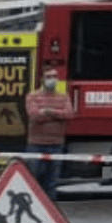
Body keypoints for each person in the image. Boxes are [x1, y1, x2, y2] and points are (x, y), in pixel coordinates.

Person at [24, 66, 73, 198]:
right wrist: (57, 114)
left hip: (56, 145)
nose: (53, 80)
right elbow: (34, 116)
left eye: (55, 77)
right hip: (36, 145)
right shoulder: (32, 96)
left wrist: (47, 111)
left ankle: (50, 210)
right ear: (42, 79)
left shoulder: (63, 97)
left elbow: (68, 114)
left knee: (52, 183)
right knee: (32, 181)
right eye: (49, 77)